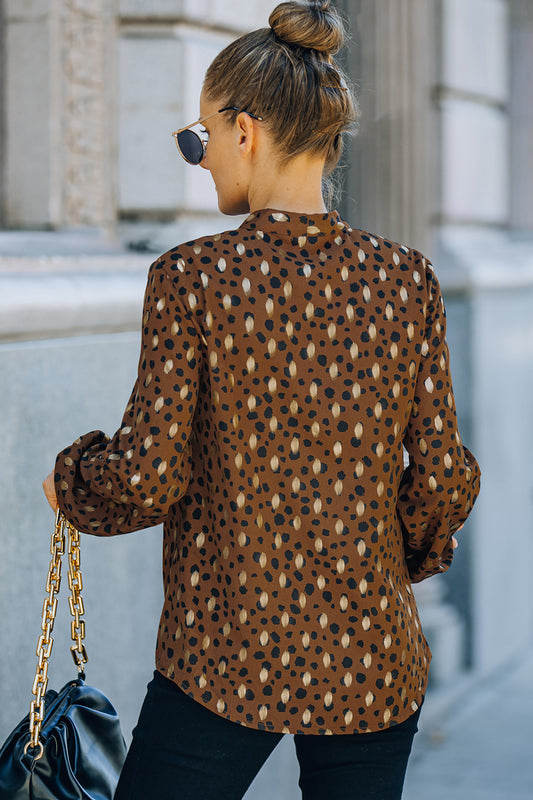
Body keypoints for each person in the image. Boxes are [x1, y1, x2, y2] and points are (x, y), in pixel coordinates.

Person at [43, 1, 481, 798]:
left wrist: (74, 482)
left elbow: (145, 477)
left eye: (198, 137)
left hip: (224, 653)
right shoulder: (405, 279)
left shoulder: (193, 279)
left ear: (244, 131)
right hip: (371, 649)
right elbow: (444, 476)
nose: (200, 158)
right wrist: (390, 562)